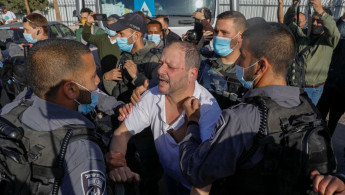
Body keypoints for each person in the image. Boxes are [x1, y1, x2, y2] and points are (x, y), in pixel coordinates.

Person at [179, 22, 336, 194]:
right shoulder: (309, 108)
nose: (238, 61)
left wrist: (192, 122)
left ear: (261, 66)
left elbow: (195, 171)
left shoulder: (241, 117)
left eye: (242, 56)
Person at [107, 41, 221, 194]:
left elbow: (206, 176)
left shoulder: (208, 109)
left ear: (192, 74)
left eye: (171, 67)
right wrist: (118, 164)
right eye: (160, 63)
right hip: (169, 180)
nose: (160, 70)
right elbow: (122, 133)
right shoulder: (152, 96)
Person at [0, 39, 107, 194]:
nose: (97, 81)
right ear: (71, 89)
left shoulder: (10, 110)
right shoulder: (82, 148)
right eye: (92, 76)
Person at [284, 0, 340, 105]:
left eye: (319, 21)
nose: (315, 23)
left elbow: (333, 31)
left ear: (324, 23)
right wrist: (294, 5)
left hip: (314, 90)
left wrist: (319, 8)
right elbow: (287, 23)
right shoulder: (302, 35)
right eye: (313, 20)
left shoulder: (329, 40)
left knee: (307, 117)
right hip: (296, 86)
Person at [102, 12, 161, 102]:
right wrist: (107, 78)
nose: (117, 37)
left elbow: (158, 93)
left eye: (121, 34)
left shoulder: (155, 58)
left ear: (136, 36)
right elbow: (118, 90)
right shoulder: (124, 56)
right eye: (117, 33)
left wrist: (137, 76)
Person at [198, 11, 247, 109]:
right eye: (216, 31)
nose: (218, 36)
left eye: (225, 33)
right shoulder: (202, 61)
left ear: (240, 36)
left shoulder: (249, 69)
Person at [316, 12, 345, 135]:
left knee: (334, 119)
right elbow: (334, 31)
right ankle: (318, 141)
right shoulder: (338, 38)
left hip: (342, 89)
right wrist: (343, 18)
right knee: (320, 115)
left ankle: (327, 142)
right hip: (328, 82)